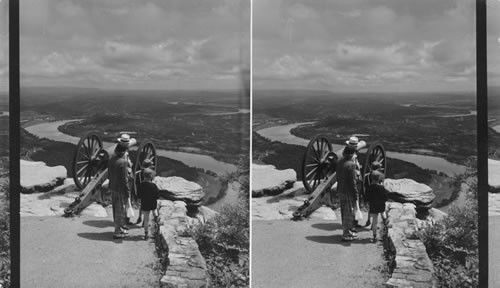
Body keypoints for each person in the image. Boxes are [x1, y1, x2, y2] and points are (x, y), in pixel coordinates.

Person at [336, 137, 361, 242]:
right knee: (349, 213)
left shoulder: (339, 162)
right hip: (348, 191)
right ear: (351, 155)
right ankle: (346, 234)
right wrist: (355, 194)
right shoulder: (351, 165)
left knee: (344, 212)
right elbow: (352, 181)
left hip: (341, 189)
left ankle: (349, 231)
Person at [108, 142, 131, 239]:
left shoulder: (111, 159)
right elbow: (124, 179)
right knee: (120, 210)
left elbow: (109, 174)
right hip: (120, 188)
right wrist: (127, 191)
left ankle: (119, 228)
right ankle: (117, 232)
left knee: (115, 209)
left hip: (113, 186)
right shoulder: (123, 162)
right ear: (124, 152)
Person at [365, 170, 388, 243]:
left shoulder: (369, 187)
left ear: (371, 178)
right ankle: (386, 228)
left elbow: (367, 197)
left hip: (373, 206)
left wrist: (368, 202)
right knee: (383, 215)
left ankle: (375, 236)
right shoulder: (381, 188)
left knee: (375, 221)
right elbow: (385, 198)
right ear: (379, 179)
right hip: (381, 205)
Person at [136, 168, 159, 240]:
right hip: (152, 203)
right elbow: (157, 196)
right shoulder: (154, 186)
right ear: (151, 176)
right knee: (155, 212)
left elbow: (139, 196)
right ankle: (157, 224)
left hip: (145, 203)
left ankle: (146, 233)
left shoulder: (140, 185)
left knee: (146, 219)